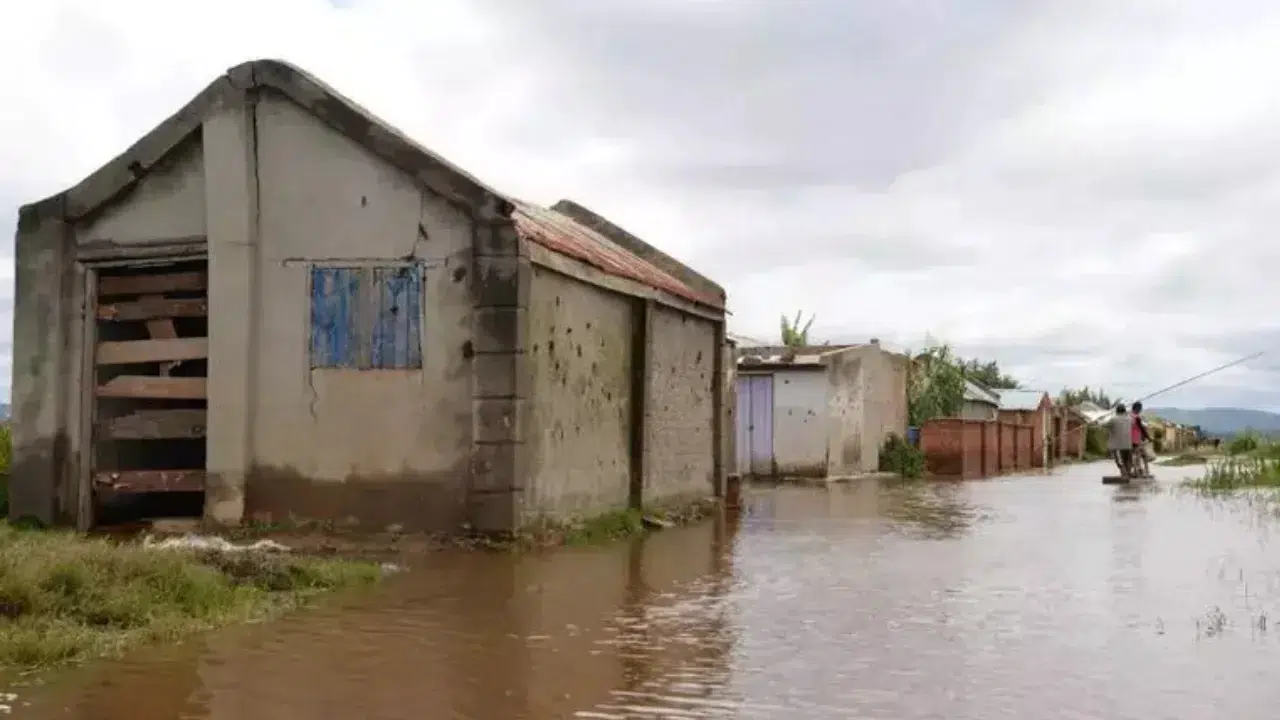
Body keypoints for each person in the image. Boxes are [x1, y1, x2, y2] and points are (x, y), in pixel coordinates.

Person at [1107, 404, 1134, 478]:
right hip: (1128, 445)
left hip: (1116, 445)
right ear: (1124, 411)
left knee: (1120, 461)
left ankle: (1124, 474)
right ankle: (1127, 473)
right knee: (1127, 460)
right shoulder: (1130, 419)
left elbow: (1106, 426)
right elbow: (1133, 423)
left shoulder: (1112, 419)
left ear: (1116, 411)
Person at [1131, 401, 1153, 478]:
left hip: (1129, 439)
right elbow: (1142, 428)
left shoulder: (1129, 416)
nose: (1140, 410)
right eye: (1140, 408)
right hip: (1137, 439)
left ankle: (1136, 471)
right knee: (1144, 456)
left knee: (1135, 455)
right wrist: (1148, 437)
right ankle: (1145, 473)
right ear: (1136, 408)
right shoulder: (1137, 417)